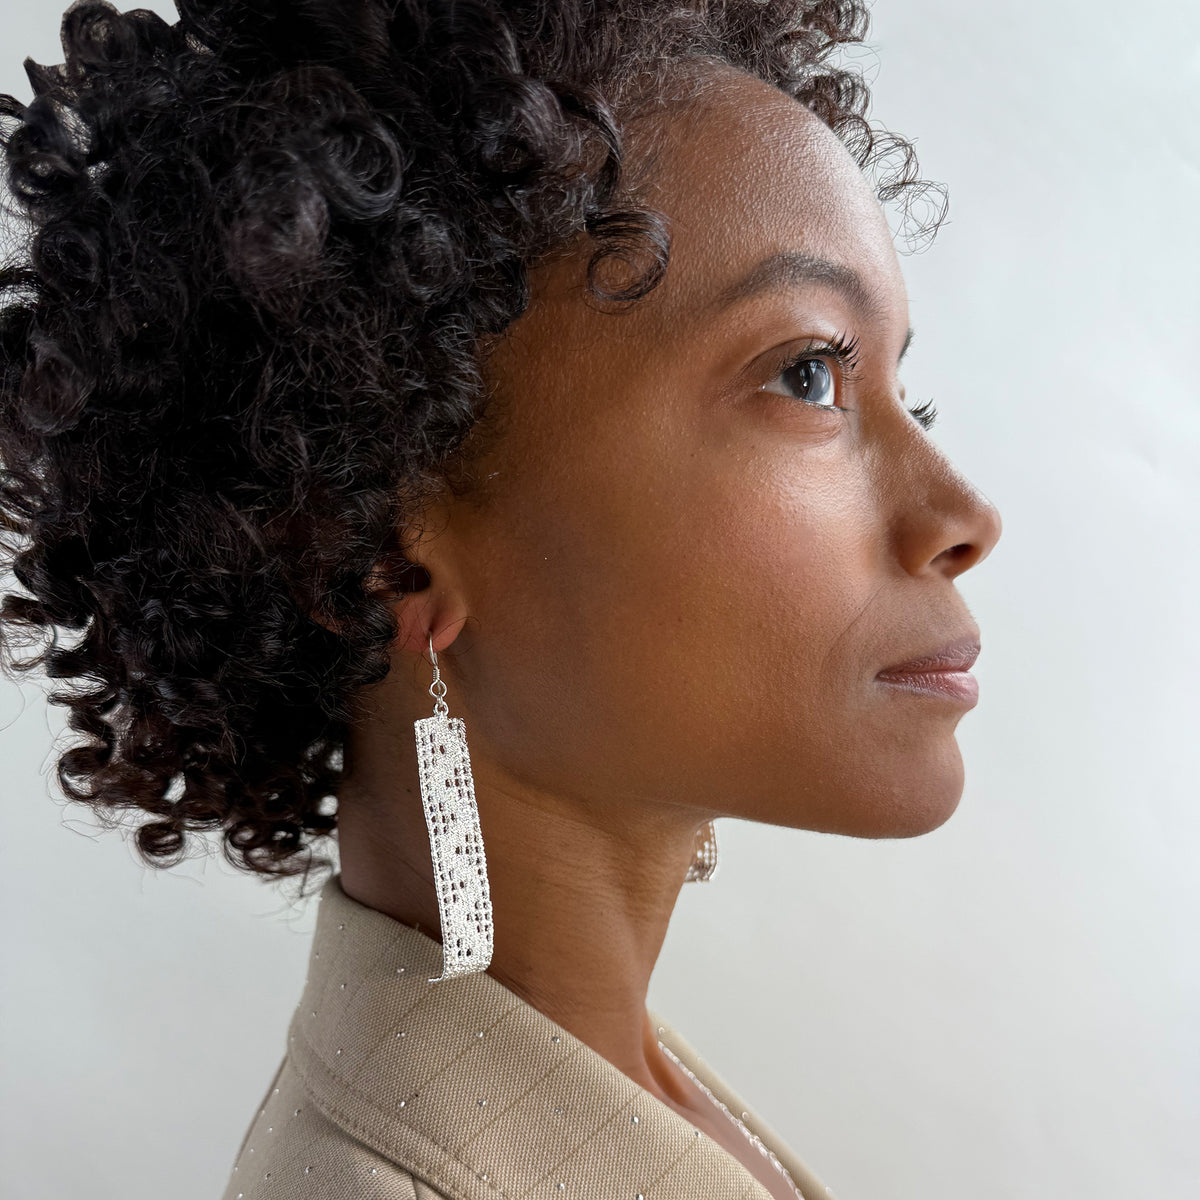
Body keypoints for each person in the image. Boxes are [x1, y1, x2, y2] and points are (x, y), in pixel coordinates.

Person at [0, 1, 1002, 1197]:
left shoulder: (623, 1100)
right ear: (392, 552)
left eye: (905, 393)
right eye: (807, 373)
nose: (962, 516)